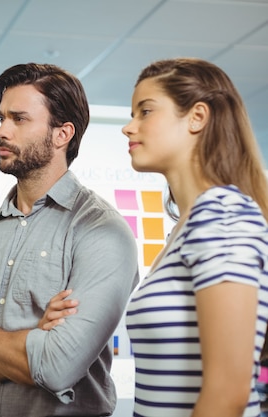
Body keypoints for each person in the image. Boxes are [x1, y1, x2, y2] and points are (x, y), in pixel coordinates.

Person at [0, 63, 139, 417]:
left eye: (19, 119)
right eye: (1, 117)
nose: (1, 131)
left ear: (62, 134)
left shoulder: (101, 231)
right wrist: (35, 338)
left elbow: (58, 368)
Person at [122, 58, 268, 416]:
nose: (129, 127)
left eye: (145, 111)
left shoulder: (222, 212)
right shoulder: (186, 227)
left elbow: (227, 394)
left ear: (197, 117)